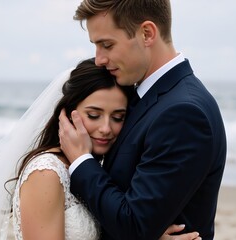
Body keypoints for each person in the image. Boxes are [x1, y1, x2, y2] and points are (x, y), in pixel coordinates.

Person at [58, 1, 227, 240]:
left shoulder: (182, 113)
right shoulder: (148, 97)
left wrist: (81, 161)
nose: (99, 60)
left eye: (107, 45)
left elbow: (134, 226)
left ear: (147, 33)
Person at [11, 58, 201, 240]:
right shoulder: (46, 173)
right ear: (68, 114)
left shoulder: (95, 168)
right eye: (94, 115)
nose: (106, 129)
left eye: (118, 117)